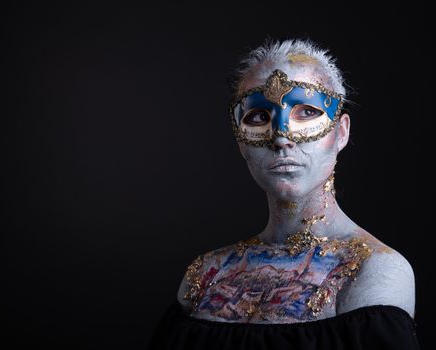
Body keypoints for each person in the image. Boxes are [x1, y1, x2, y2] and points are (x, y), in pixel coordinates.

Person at [147, 38, 420, 349]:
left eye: (306, 112)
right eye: (259, 117)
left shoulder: (371, 270)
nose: (282, 138)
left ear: (341, 132)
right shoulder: (205, 275)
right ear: (240, 142)